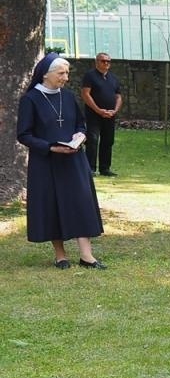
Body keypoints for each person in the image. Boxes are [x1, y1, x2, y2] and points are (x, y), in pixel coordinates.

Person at [18, 55, 106, 268]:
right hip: (46, 162)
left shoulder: (67, 97)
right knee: (52, 205)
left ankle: (87, 256)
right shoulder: (30, 99)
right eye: (61, 73)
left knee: (80, 203)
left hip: (73, 160)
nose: (65, 78)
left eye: (67, 73)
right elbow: (24, 134)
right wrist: (50, 147)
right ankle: (60, 256)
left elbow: (80, 124)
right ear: (46, 74)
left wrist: (80, 137)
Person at [81, 52, 122, 176]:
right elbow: (85, 94)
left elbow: (118, 96)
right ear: (97, 62)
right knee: (92, 140)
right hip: (94, 114)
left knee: (108, 141)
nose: (106, 63)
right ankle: (90, 169)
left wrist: (115, 110)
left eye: (108, 61)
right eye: (103, 61)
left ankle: (105, 168)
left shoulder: (113, 78)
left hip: (110, 115)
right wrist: (98, 110)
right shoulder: (90, 76)